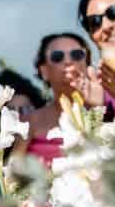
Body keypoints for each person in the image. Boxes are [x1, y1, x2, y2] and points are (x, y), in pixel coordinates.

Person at [20, 29, 108, 167]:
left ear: (87, 64)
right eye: (57, 56)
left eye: (77, 55)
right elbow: (10, 178)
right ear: (44, 71)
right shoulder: (27, 124)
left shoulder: (106, 111)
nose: (68, 61)